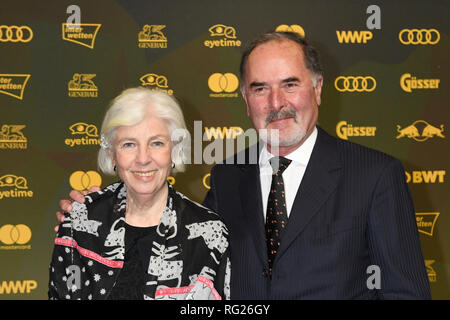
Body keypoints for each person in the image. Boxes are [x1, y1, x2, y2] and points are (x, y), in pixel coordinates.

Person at [58, 31, 431, 299]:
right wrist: (102, 214)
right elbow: (181, 242)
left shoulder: (375, 175)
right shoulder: (226, 176)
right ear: (245, 99)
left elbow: (406, 293)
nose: (275, 102)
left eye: (290, 84)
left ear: (317, 88)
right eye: (259, 88)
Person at [50, 87, 230, 300]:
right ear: (112, 154)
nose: (143, 158)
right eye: (129, 144)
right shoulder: (81, 221)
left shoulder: (210, 233)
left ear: (174, 150)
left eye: (156, 143)